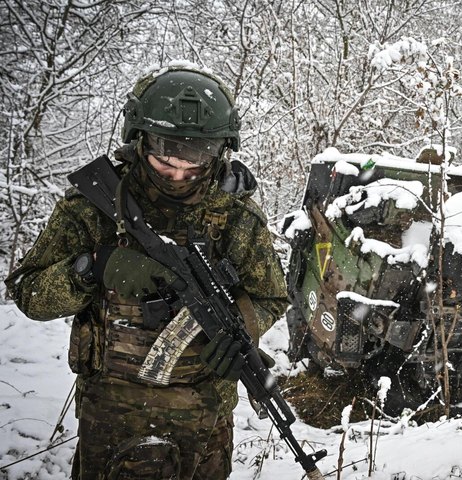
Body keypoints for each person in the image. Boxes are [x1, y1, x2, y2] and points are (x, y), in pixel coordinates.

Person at [4, 65, 288, 479]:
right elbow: (28, 293)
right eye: (165, 159)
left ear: (221, 151)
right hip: (112, 412)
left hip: (205, 416)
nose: (178, 175)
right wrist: (91, 268)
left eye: (196, 163)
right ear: (138, 139)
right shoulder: (93, 207)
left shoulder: (236, 217)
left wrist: (237, 332)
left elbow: (271, 296)